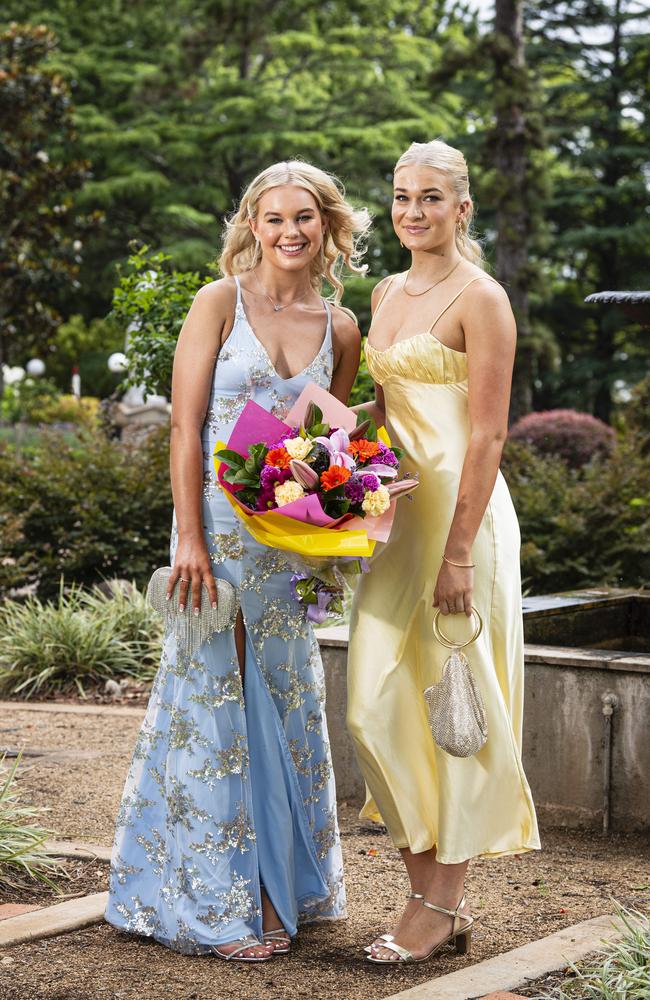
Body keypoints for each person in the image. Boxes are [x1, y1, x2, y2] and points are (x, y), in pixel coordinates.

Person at [105, 160, 369, 961]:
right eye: (274, 217)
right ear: (251, 225)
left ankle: (284, 884)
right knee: (216, 701)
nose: (290, 232)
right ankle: (225, 901)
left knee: (286, 701)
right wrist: (187, 536)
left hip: (291, 547)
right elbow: (186, 429)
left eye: (306, 218)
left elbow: (333, 440)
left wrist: (338, 526)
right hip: (216, 533)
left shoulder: (342, 325)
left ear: (327, 226)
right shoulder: (218, 303)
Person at [347, 139, 540, 966]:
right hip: (399, 525)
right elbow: (386, 417)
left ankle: (435, 905)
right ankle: (429, 891)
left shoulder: (483, 297)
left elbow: (488, 431)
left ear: (462, 209)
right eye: (400, 198)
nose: (411, 213)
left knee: (453, 711)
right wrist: (302, 457)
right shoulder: (387, 290)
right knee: (371, 705)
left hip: (465, 530)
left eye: (429, 198)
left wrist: (459, 551)